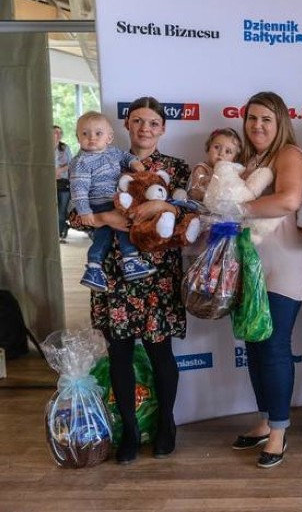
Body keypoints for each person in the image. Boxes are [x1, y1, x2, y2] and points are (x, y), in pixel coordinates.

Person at [69, 96, 191, 464]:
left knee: (161, 353)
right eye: (138, 121)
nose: (145, 129)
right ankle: (130, 432)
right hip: (113, 273)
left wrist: (161, 208)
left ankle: (167, 425)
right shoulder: (101, 157)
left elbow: (190, 215)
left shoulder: (177, 168)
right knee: (119, 354)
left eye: (153, 123)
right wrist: (106, 219)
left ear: (163, 128)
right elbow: (76, 215)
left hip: (158, 275)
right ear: (126, 126)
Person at [227, 92, 302, 469]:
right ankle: (265, 419)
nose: (257, 126)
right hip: (252, 265)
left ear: (280, 123)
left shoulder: (289, 154)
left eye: (266, 119)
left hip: (286, 264)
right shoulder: (252, 160)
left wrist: (236, 208)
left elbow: (290, 200)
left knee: (275, 343)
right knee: (255, 341)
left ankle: (279, 431)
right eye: (252, 119)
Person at [69, 111, 153, 292]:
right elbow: (78, 189)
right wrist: (84, 211)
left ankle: (94, 268)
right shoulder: (81, 162)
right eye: (85, 133)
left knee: (104, 236)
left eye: (98, 133)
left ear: (109, 137)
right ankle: (128, 261)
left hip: (114, 201)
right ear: (77, 137)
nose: (91, 138)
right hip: (99, 204)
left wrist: (134, 162)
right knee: (122, 228)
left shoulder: (113, 152)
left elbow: (125, 157)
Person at [187, 128, 243, 202]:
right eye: (217, 147)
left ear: (235, 158)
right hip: (202, 208)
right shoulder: (202, 168)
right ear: (208, 148)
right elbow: (195, 193)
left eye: (227, 151)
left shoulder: (232, 172)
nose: (221, 153)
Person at [54, 125, 73, 244]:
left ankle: (61, 232)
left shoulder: (65, 148)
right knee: (53, 210)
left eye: (60, 132)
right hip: (48, 183)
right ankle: (60, 229)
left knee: (62, 210)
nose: (57, 134)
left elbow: (71, 163)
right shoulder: (42, 148)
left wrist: (59, 171)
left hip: (63, 183)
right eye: (55, 132)